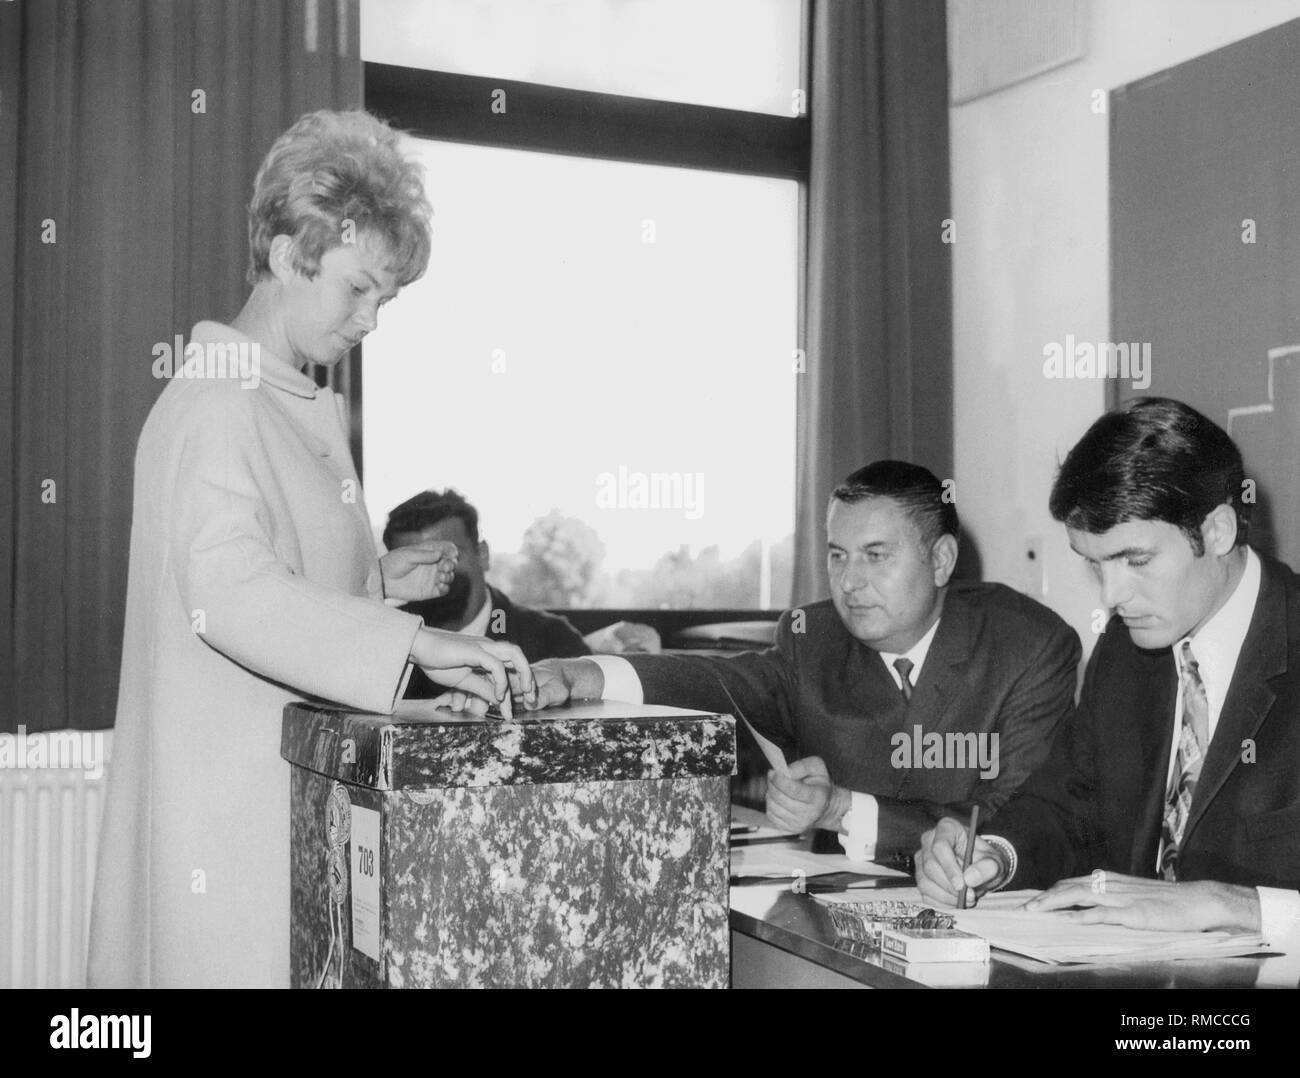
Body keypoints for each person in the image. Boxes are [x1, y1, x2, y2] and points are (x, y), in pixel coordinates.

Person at [88, 110, 535, 989]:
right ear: (292, 256)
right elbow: (232, 594)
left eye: (386, 300)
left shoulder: (278, 397)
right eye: (359, 289)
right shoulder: (220, 400)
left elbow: (277, 578)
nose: (372, 320)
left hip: (272, 804)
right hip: (226, 823)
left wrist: (378, 584)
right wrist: (417, 644)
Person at [526, 461, 1081, 864]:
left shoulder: (1028, 646)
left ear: (940, 560)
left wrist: (842, 810)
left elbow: (1015, 818)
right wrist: (586, 672)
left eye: (875, 556)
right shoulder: (813, 637)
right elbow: (722, 679)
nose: (849, 582)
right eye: (837, 556)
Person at [916, 398, 1300, 944]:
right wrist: (992, 855)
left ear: (1217, 531)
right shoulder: (1127, 649)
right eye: (1094, 563)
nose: (1112, 595)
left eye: (1136, 561)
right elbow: (1070, 804)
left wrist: (1229, 904)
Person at [383, 489, 662, 701]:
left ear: (483, 555)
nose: (432, 573)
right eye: (415, 562)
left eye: (448, 555)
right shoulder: (382, 641)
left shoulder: (552, 639)